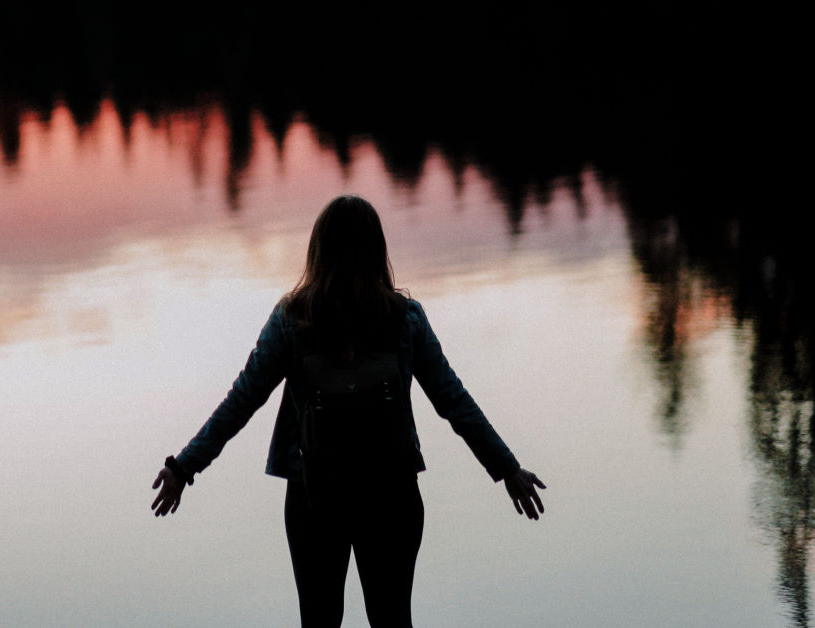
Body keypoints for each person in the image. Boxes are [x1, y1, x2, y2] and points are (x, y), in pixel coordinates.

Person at [151, 195, 545, 628]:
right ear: (377, 250)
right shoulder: (405, 319)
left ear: (317, 250)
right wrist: (508, 469)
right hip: (391, 494)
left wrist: (184, 467)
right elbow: (454, 401)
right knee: (392, 620)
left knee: (319, 622)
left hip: (314, 497)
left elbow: (241, 401)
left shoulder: (291, 320)